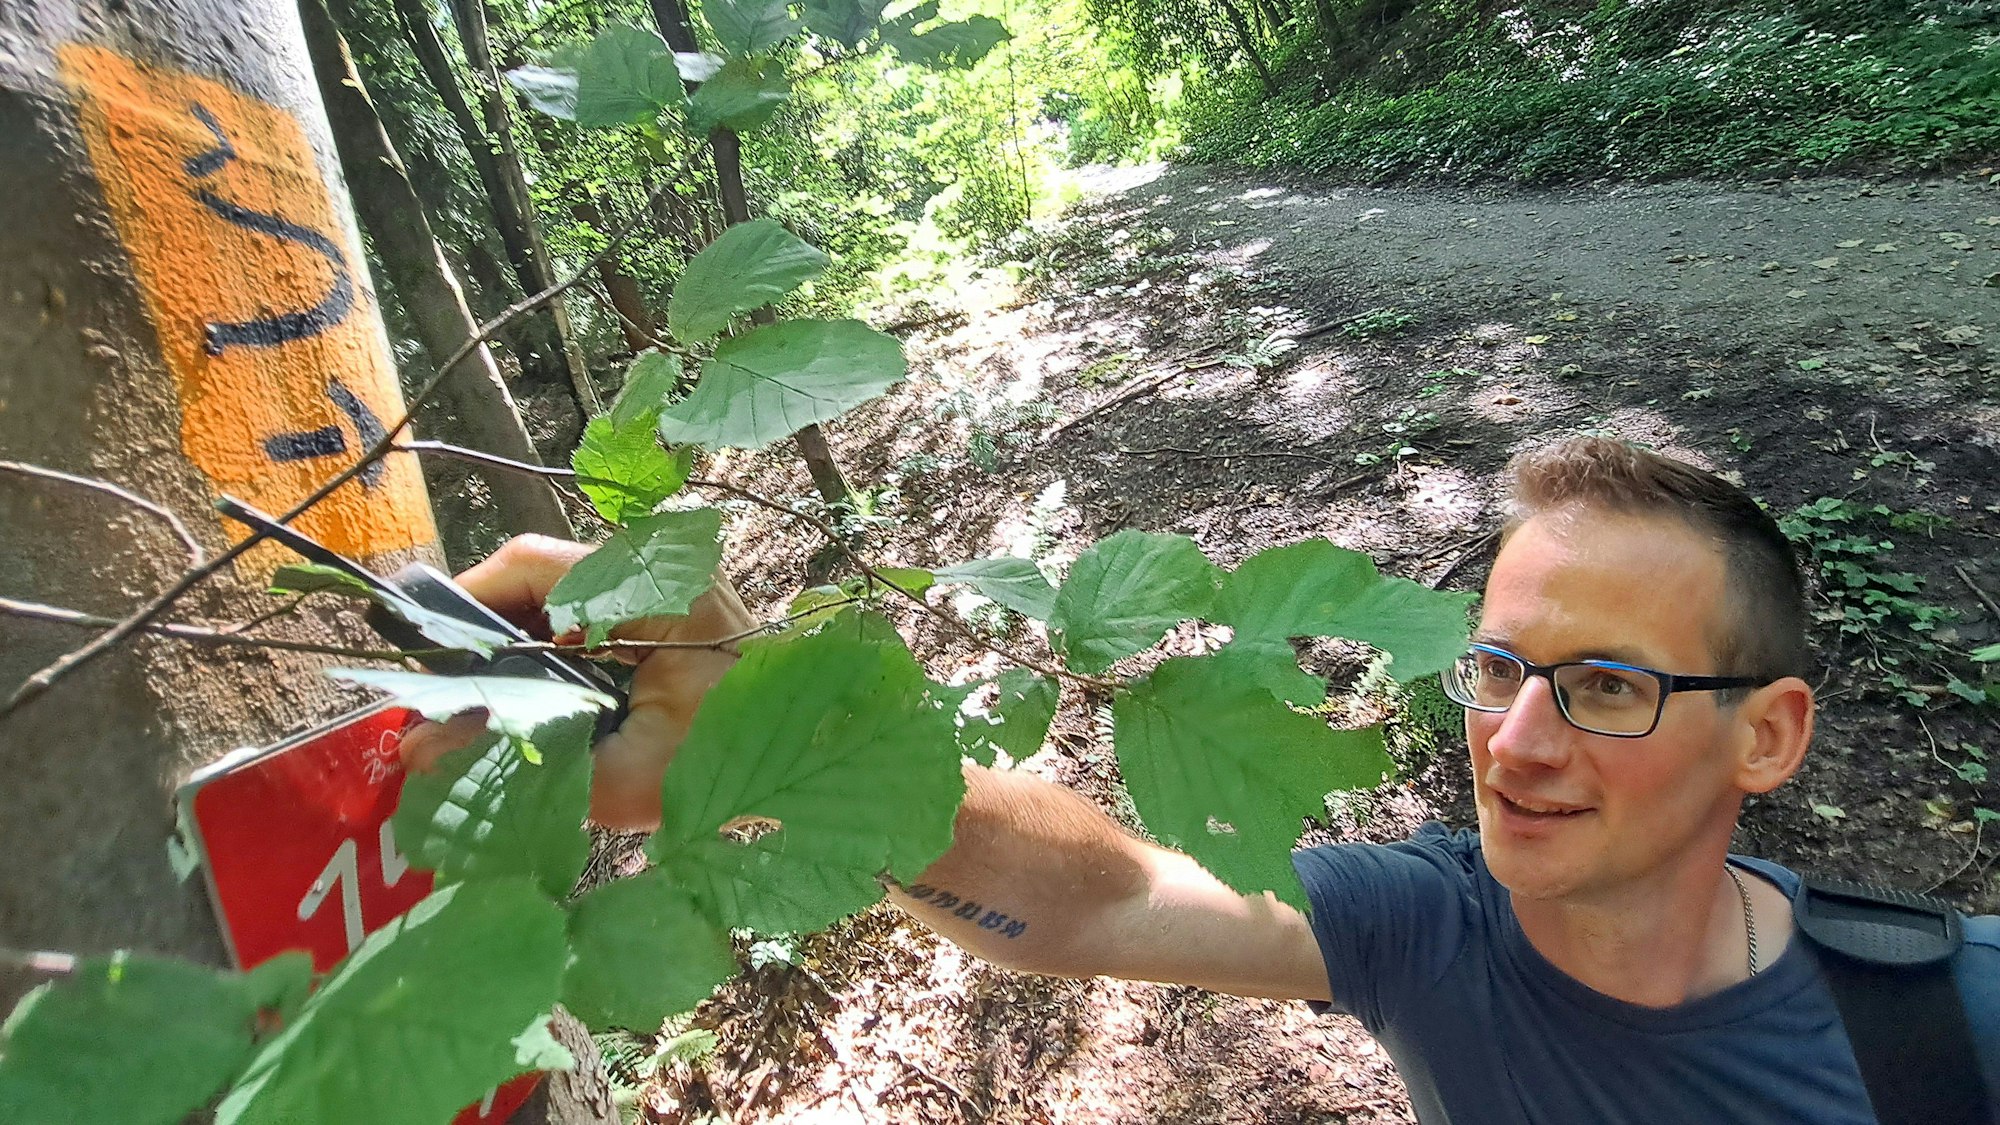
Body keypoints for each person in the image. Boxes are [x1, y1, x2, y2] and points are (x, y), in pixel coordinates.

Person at [405, 436, 1999, 1123]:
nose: (1512, 745)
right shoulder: (1441, 933)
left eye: (1606, 687)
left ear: (1769, 734)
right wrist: (771, 750)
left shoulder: (1949, 1030)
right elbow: (1101, 896)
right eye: (1500, 669)